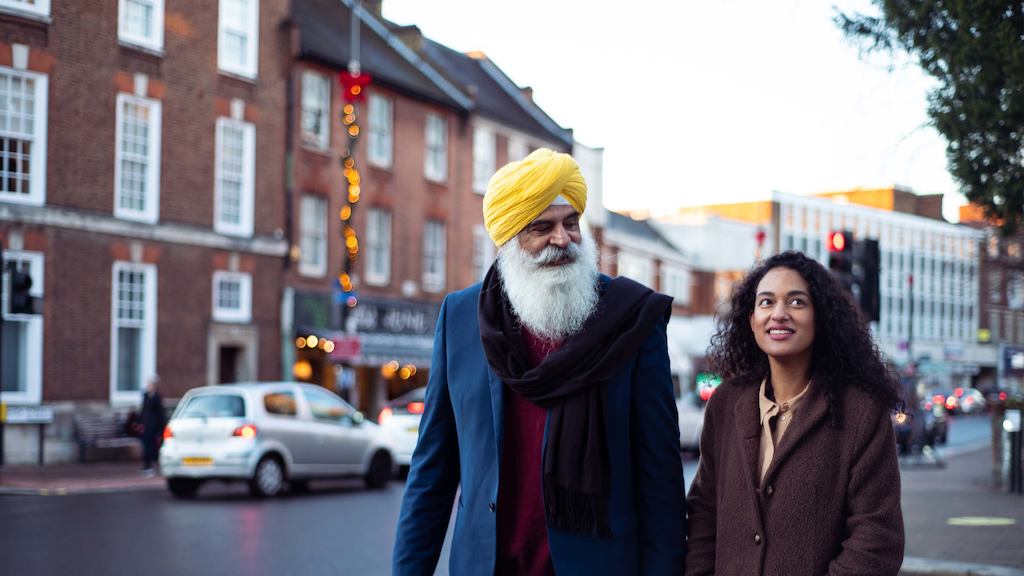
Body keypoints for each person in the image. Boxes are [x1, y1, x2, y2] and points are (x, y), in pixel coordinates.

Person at [393, 148, 687, 575]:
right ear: (510, 239)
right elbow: (432, 472)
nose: (563, 239)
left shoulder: (631, 320)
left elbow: (659, 480)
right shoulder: (459, 318)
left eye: (571, 223)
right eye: (542, 227)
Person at [685, 251, 905, 575]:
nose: (779, 314)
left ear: (821, 316)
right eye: (766, 302)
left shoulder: (861, 412)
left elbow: (877, 539)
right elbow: (704, 515)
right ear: (751, 319)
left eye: (797, 302)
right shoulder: (725, 403)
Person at [139, 375, 167, 476]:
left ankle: (152, 466)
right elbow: (143, 410)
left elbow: (161, 413)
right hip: (146, 425)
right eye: (148, 384)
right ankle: (147, 465)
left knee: (153, 447)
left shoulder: (157, 397)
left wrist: (162, 428)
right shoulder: (146, 396)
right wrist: (141, 423)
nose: (148, 386)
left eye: (150, 384)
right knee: (146, 445)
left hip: (154, 426)